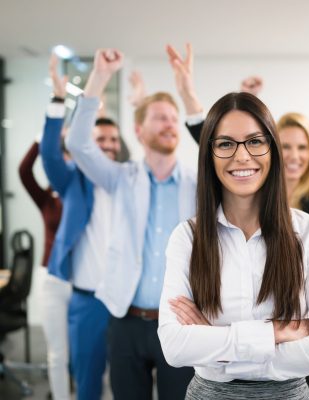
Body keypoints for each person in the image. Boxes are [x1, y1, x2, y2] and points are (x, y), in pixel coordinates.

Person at [158, 91, 309, 400]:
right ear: (209, 154)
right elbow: (175, 346)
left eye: (255, 141)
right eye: (225, 144)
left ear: (272, 150)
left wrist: (219, 351)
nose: (242, 156)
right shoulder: (187, 237)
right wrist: (273, 334)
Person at [66, 48, 195, 400]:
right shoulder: (121, 178)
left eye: (173, 117)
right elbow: (77, 143)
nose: (170, 122)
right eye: (160, 117)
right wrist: (101, 77)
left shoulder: (198, 185)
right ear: (138, 130)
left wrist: (186, 92)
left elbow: (217, 148)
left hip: (181, 323)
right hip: (125, 320)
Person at [40, 54, 122, 400]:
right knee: (87, 381)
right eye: (99, 139)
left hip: (126, 302)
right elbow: (49, 154)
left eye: (113, 140)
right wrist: (59, 102)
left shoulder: (128, 181)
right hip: (87, 299)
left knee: (127, 383)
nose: (106, 145)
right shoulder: (72, 180)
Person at [18, 84, 71, 400]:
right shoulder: (47, 199)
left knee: (82, 351)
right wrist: (43, 136)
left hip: (80, 281)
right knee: (56, 352)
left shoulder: (84, 196)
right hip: (50, 278)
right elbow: (24, 171)